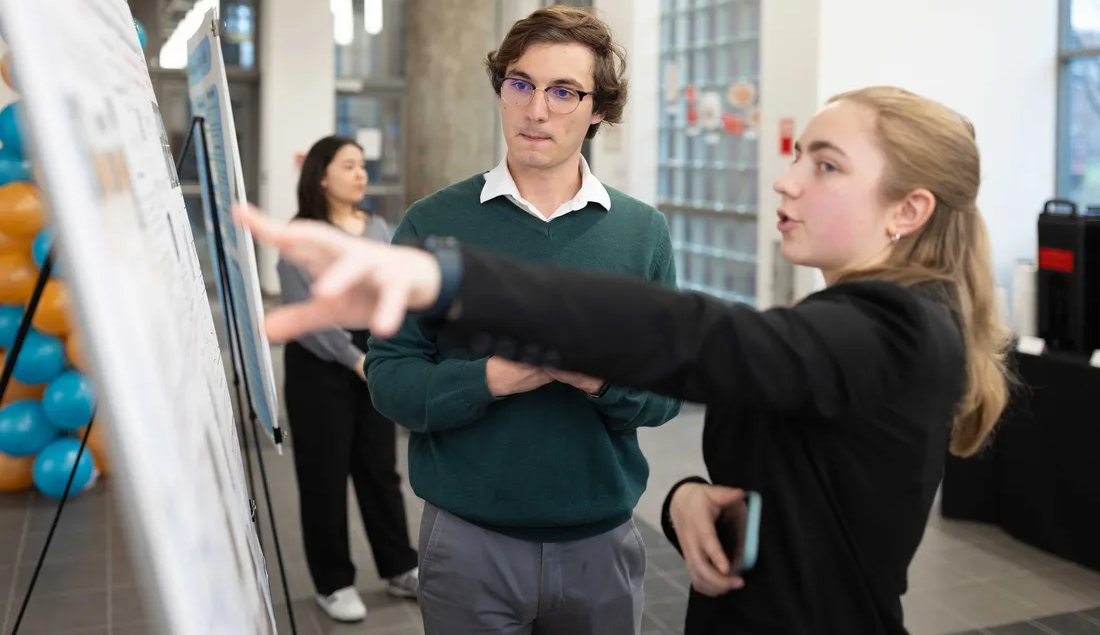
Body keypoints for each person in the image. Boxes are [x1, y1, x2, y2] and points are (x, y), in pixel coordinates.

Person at [238, 85, 1011, 635]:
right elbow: (796, 487)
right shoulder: (857, 319)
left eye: (827, 164)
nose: (787, 177)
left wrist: (452, 278)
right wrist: (684, 498)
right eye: (799, 154)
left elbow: (699, 338)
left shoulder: (900, 328)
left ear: (908, 211)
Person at [364, 5, 683, 634]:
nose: (536, 110)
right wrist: (490, 379)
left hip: (601, 544)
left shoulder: (641, 233)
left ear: (598, 111)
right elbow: (388, 379)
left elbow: (670, 389)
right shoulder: (433, 224)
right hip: (467, 542)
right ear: (503, 91)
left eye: (564, 92)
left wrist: (597, 378)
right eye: (521, 84)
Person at [276, 135, 419, 624]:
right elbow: (309, 314)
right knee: (324, 477)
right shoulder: (301, 237)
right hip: (320, 365)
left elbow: (390, 292)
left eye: (363, 166)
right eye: (349, 166)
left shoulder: (378, 226)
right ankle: (333, 582)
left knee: (380, 469)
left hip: (372, 355)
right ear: (320, 176)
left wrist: (383, 354)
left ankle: (400, 566)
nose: (361, 174)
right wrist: (356, 360)